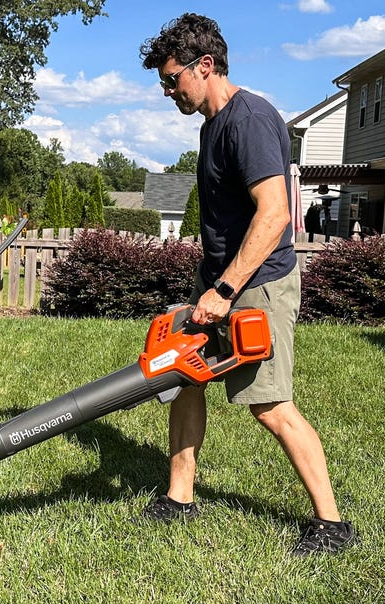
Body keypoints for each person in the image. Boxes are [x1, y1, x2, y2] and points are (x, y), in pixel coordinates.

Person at [139, 13, 355, 556]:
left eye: (173, 79)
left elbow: (275, 212)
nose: (169, 91)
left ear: (204, 65)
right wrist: (209, 284)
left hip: (255, 284)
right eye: (164, 83)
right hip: (217, 280)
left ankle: (331, 523)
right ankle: (180, 496)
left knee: (269, 405)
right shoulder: (214, 126)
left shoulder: (250, 120)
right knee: (185, 380)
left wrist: (227, 290)